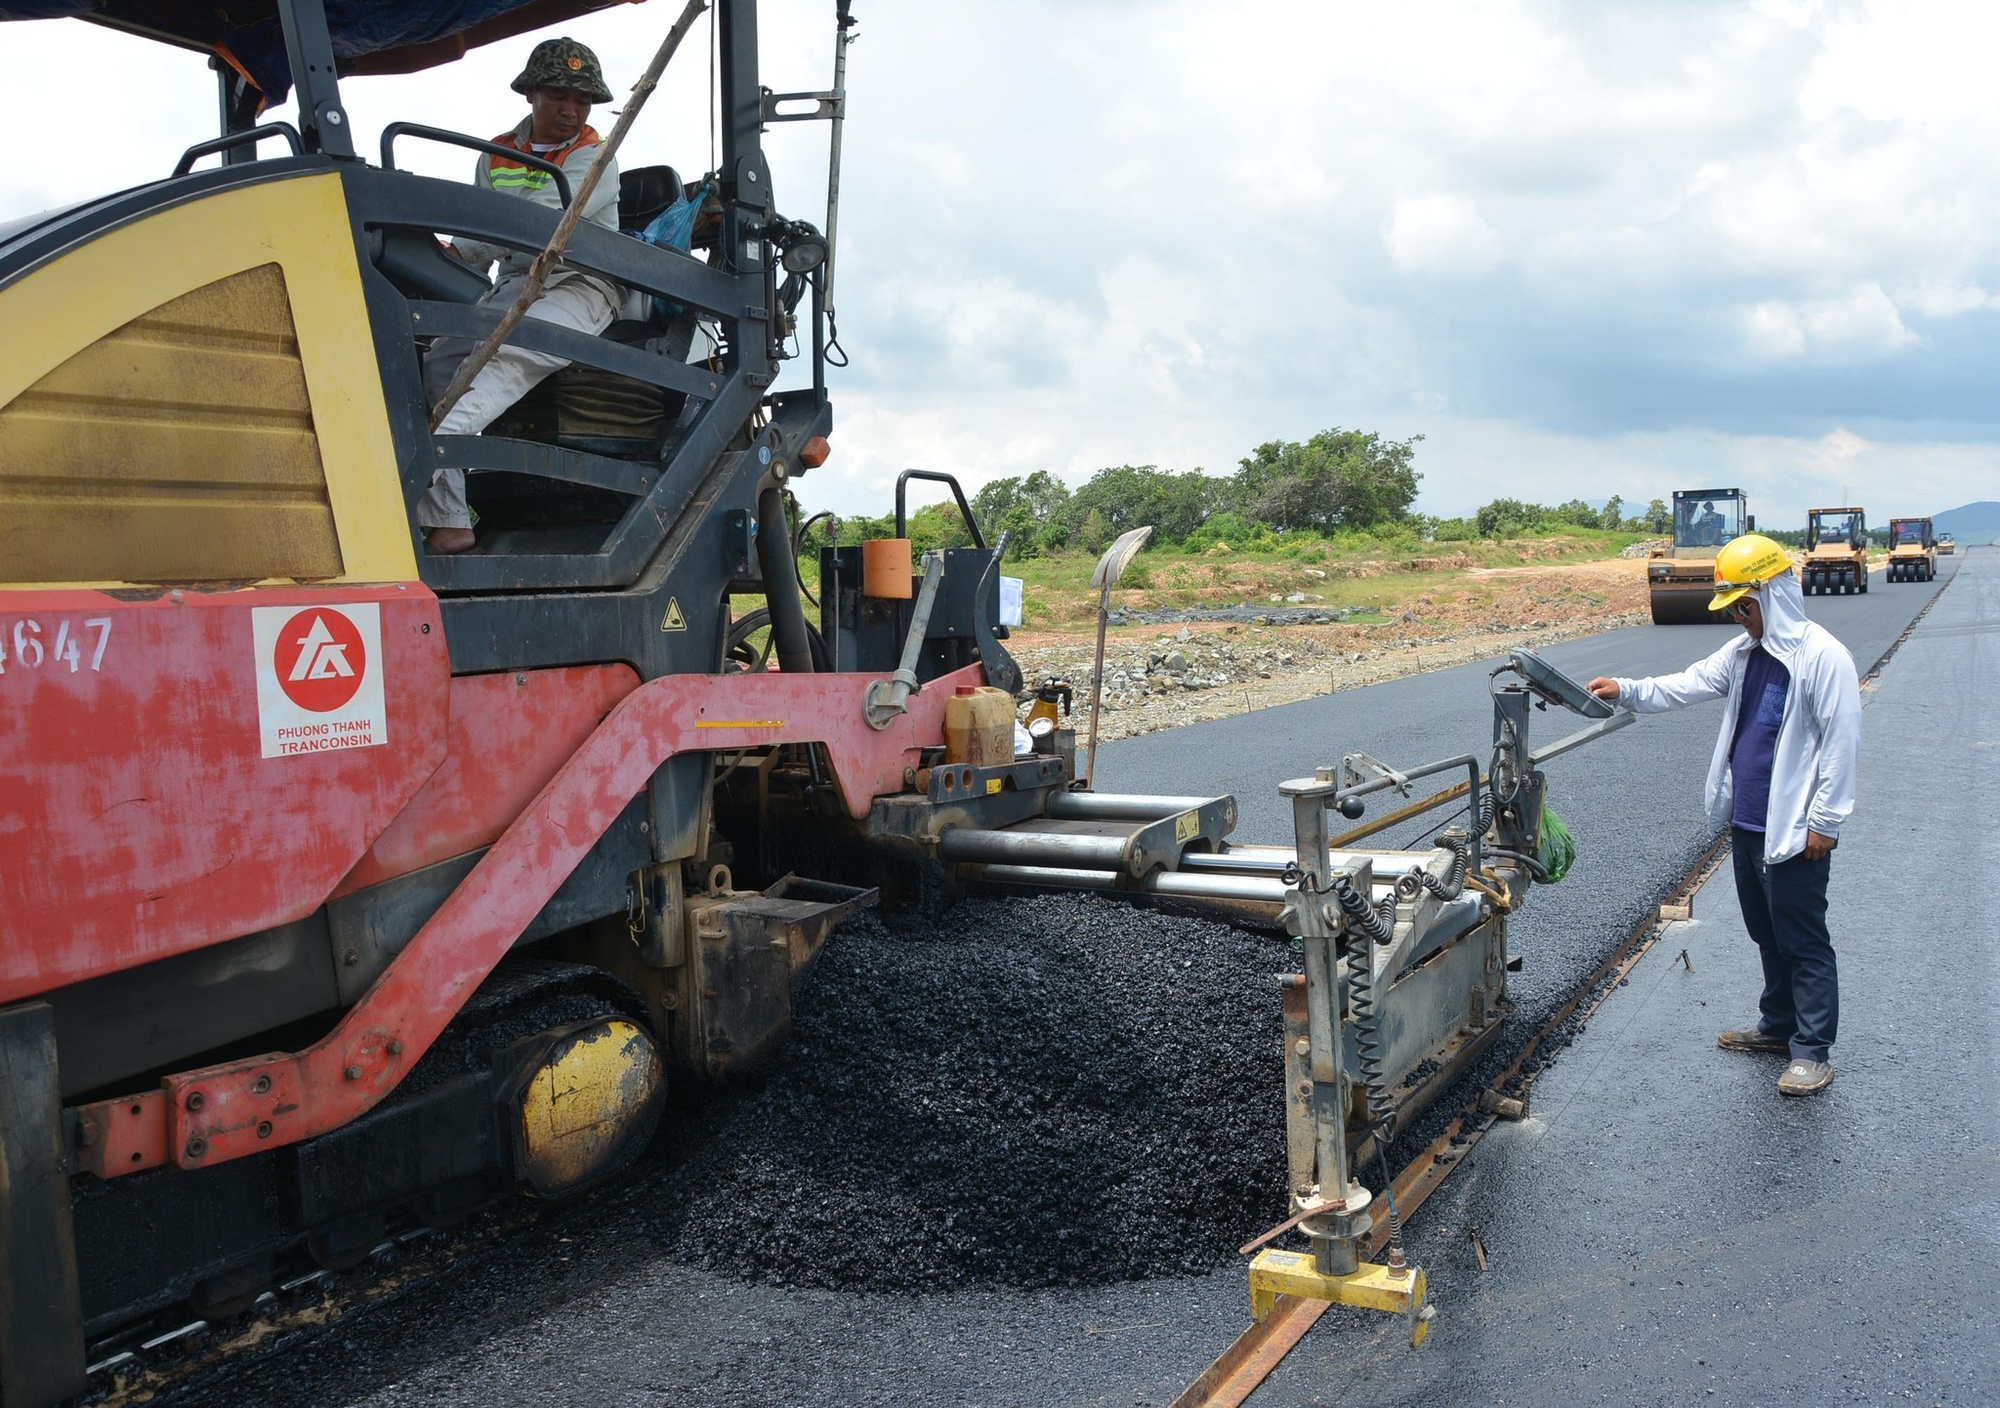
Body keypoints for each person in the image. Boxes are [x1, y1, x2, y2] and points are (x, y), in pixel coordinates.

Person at [1585, 534, 1860, 1097]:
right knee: (1766, 931)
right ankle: (1779, 1027)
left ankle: (1812, 1051)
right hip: (1750, 823)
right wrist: (1626, 689)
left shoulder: (1822, 657)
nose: (1738, 617)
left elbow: (1840, 741)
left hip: (1796, 828)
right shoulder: (1741, 656)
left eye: (1744, 606)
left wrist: (1825, 820)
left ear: (1772, 594)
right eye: (1734, 607)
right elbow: (1687, 684)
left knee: (1802, 938)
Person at [418, 37, 624, 554]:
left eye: (582, 100)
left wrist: (474, 239)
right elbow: (474, 235)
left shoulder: (594, 159)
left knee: (499, 362)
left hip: (577, 285)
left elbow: (538, 223)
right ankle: (449, 519)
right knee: (440, 360)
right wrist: (440, 251)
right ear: (531, 92)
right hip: (514, 285)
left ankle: (422, 469)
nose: (571, 110)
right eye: (559, 96)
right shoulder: (495, 155)